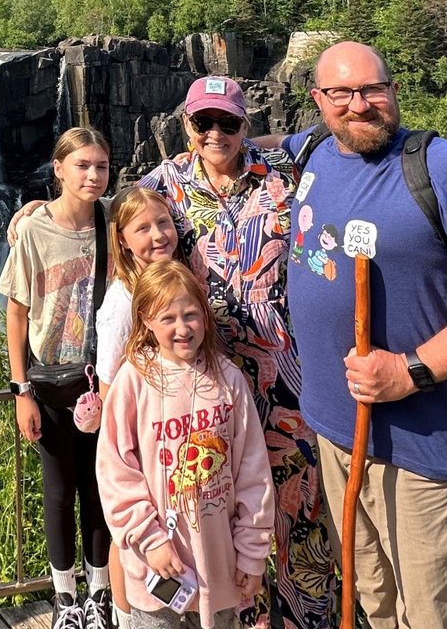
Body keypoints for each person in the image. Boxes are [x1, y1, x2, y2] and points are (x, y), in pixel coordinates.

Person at [280, 41, 447, 629]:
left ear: (394, 91)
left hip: (427, 450)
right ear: (318, 101)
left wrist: (409, 371)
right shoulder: (314, 151)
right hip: (337, 435)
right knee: (373, 601)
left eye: (374, 89)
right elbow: (254, 148)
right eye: (342, 94)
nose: (360, 105)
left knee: (432, 618)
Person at [137, 77, 334, 629]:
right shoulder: (164, 185)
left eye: (228, 122)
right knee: (222, 512)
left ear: (246, 126)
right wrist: (40, 208)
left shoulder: (286, 175)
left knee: (301, 511)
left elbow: (336, 135)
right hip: (209, 383)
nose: (215, 133)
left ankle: (305, 619)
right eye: (204, 122)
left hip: (290, 380)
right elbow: (114, 221)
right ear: (187, 126)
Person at [97, 260, 276, 629]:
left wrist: (252, 555)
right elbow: (116, 471)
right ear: (146, 319)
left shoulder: (229, 380)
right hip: (157, 569)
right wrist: (149, 539)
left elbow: (254, 476)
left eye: (191, 315)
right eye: (168, 318)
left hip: (218, 569)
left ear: (206, 317)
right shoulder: (134, 380)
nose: (182, 329)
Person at [0, 127, 116, 629]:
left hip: (105, 381)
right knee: (58, 491)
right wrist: (20, 389)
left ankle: (100, 592)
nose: (93, 175)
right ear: (59, 169)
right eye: (83, 165)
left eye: (102, 167)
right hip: (48, 384)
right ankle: (65, 598)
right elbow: (17, 314)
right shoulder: (33, 229)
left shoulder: (114, 221)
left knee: (100, 488)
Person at [94, 186, 186, 629]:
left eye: (164, 222)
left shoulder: (176, 280)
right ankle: (126, 617)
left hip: (178, 440)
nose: (157, 235)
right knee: (128, 537)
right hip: (139, 445)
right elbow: (111, 390)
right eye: (142, 228)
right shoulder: (121, 303)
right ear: (123, 239)